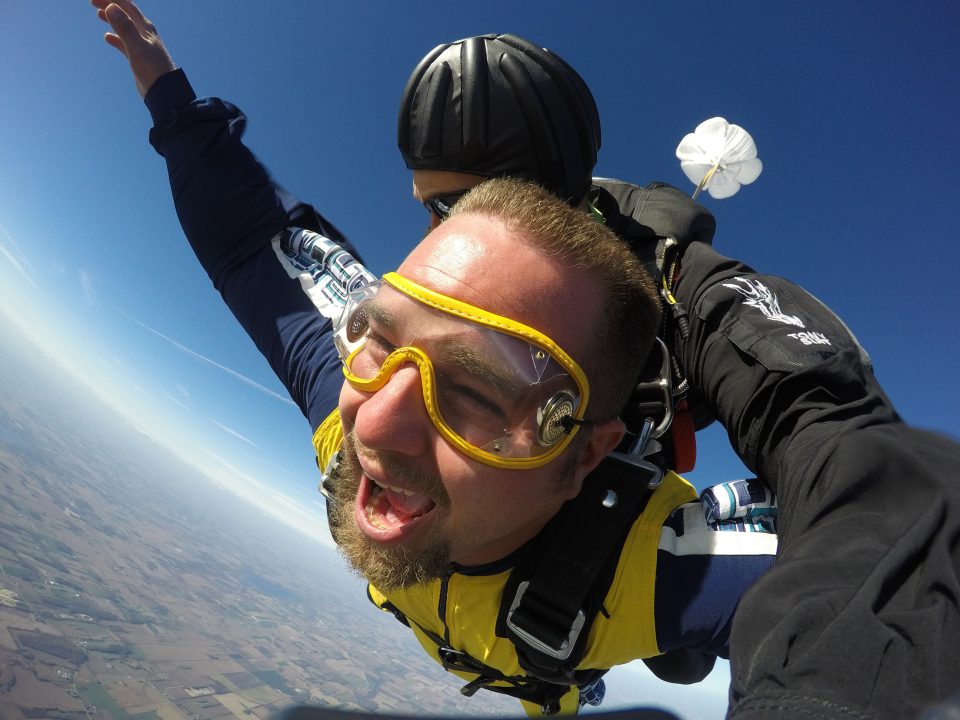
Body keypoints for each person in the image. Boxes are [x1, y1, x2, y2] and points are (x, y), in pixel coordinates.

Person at [92, 2, 960, 718]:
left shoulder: (646, 569)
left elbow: (879, 522)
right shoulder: (356, 385)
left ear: (586, 451)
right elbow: (264, 244)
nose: (376, 426)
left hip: (602, 575)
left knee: (680, 659)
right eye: (382, 340)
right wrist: (172, 102)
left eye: (476, 393)